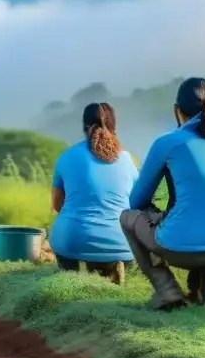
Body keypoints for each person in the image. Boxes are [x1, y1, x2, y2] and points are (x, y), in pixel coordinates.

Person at [120, 77, 205, 309]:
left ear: (176, 111)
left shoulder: (168, 142)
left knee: (128, 217)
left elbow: (136, 201)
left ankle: (167, 290)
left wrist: (159, 214)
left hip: (183, 245)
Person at [49, 102, 139, 285]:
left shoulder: (66, 157)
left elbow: (57, 206)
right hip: (121, 245)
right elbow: (137, 203)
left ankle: (75, 278)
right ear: (114, 127)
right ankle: (110, 269)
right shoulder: (127, 160)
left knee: (69, 235)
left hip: (71, 241)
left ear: (86, 127)